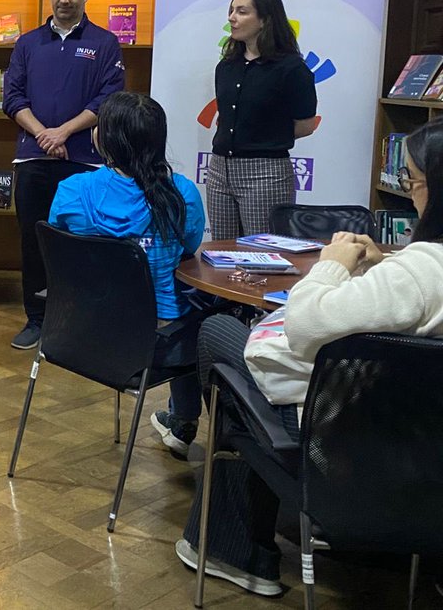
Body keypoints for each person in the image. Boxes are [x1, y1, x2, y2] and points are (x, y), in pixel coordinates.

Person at [174, 117, 443, 597]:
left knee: (220, 337)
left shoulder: (418, 278)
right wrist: (390, 260)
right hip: (424, 451)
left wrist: (330, 268)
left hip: (348, 440)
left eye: (414, 181)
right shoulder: (417, 270)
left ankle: (234, 546)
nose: (411, 193)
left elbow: (305, 324)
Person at [49, 92, 207, 456]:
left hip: (79, 335)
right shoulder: (180, 194)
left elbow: (63, 252)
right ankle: (185, 423)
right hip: (154, 340)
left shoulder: (72, 191)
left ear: (102, 138)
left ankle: (181, 422)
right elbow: (189, 247)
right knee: (216, 323)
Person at [2, 0, 125, 350]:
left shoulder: (105, 43)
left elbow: (107, 99)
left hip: (84, 161)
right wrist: (43, 135)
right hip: (35, 160)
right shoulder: (28, 43)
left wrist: (64, 132)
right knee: (32, 240)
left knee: (81, 242)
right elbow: (12, 98)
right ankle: (36, 320)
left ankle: (78, 322)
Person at [206, 0, 317, 239]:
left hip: (265, 173)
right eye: (231, 11)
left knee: (261, 253)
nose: (232, 17)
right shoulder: (226, 66)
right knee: (222, 252)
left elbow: (305, 125)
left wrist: (265, 137)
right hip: (219, 170)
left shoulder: (291, 69)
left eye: (242, 11)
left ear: (265, 20)